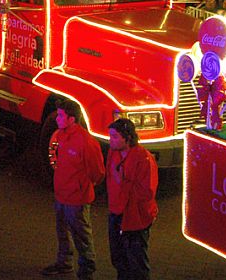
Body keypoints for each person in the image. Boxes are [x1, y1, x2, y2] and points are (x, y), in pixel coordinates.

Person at [41, 99, 105, 280]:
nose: (57, 119)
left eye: (61, 115)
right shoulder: (61, 135)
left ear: (72, 119)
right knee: (62, 232)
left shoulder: (86, 142)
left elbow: (98, 173)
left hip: (77, 199)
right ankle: (65, 263)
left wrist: (81, 185)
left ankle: (87, 272)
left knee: (82, 237)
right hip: (61, 195)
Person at [106, 118, 159, 280]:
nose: (110, 140)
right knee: (118, 258)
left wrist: (122, 182)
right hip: (116, 214)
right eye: (110, 136)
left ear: (127, 138)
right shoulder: (113, 153)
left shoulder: (144, 159)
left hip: (135, 219)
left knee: (137, 264)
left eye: (115, 136)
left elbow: (147, 192)